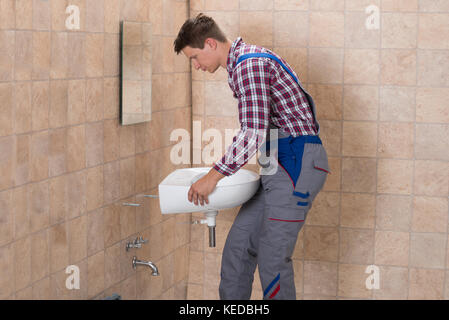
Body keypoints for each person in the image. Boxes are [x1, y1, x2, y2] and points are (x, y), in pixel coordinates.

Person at [173, 13, 330, 300]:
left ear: (210, 44)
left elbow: (252, 133)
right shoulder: (242, 64)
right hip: (277, 161)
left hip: (296, 159)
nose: (195, 66)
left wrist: (212, 177)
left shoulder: (249, 64)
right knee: (239, 248)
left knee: (272, 258)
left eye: (194, 57)